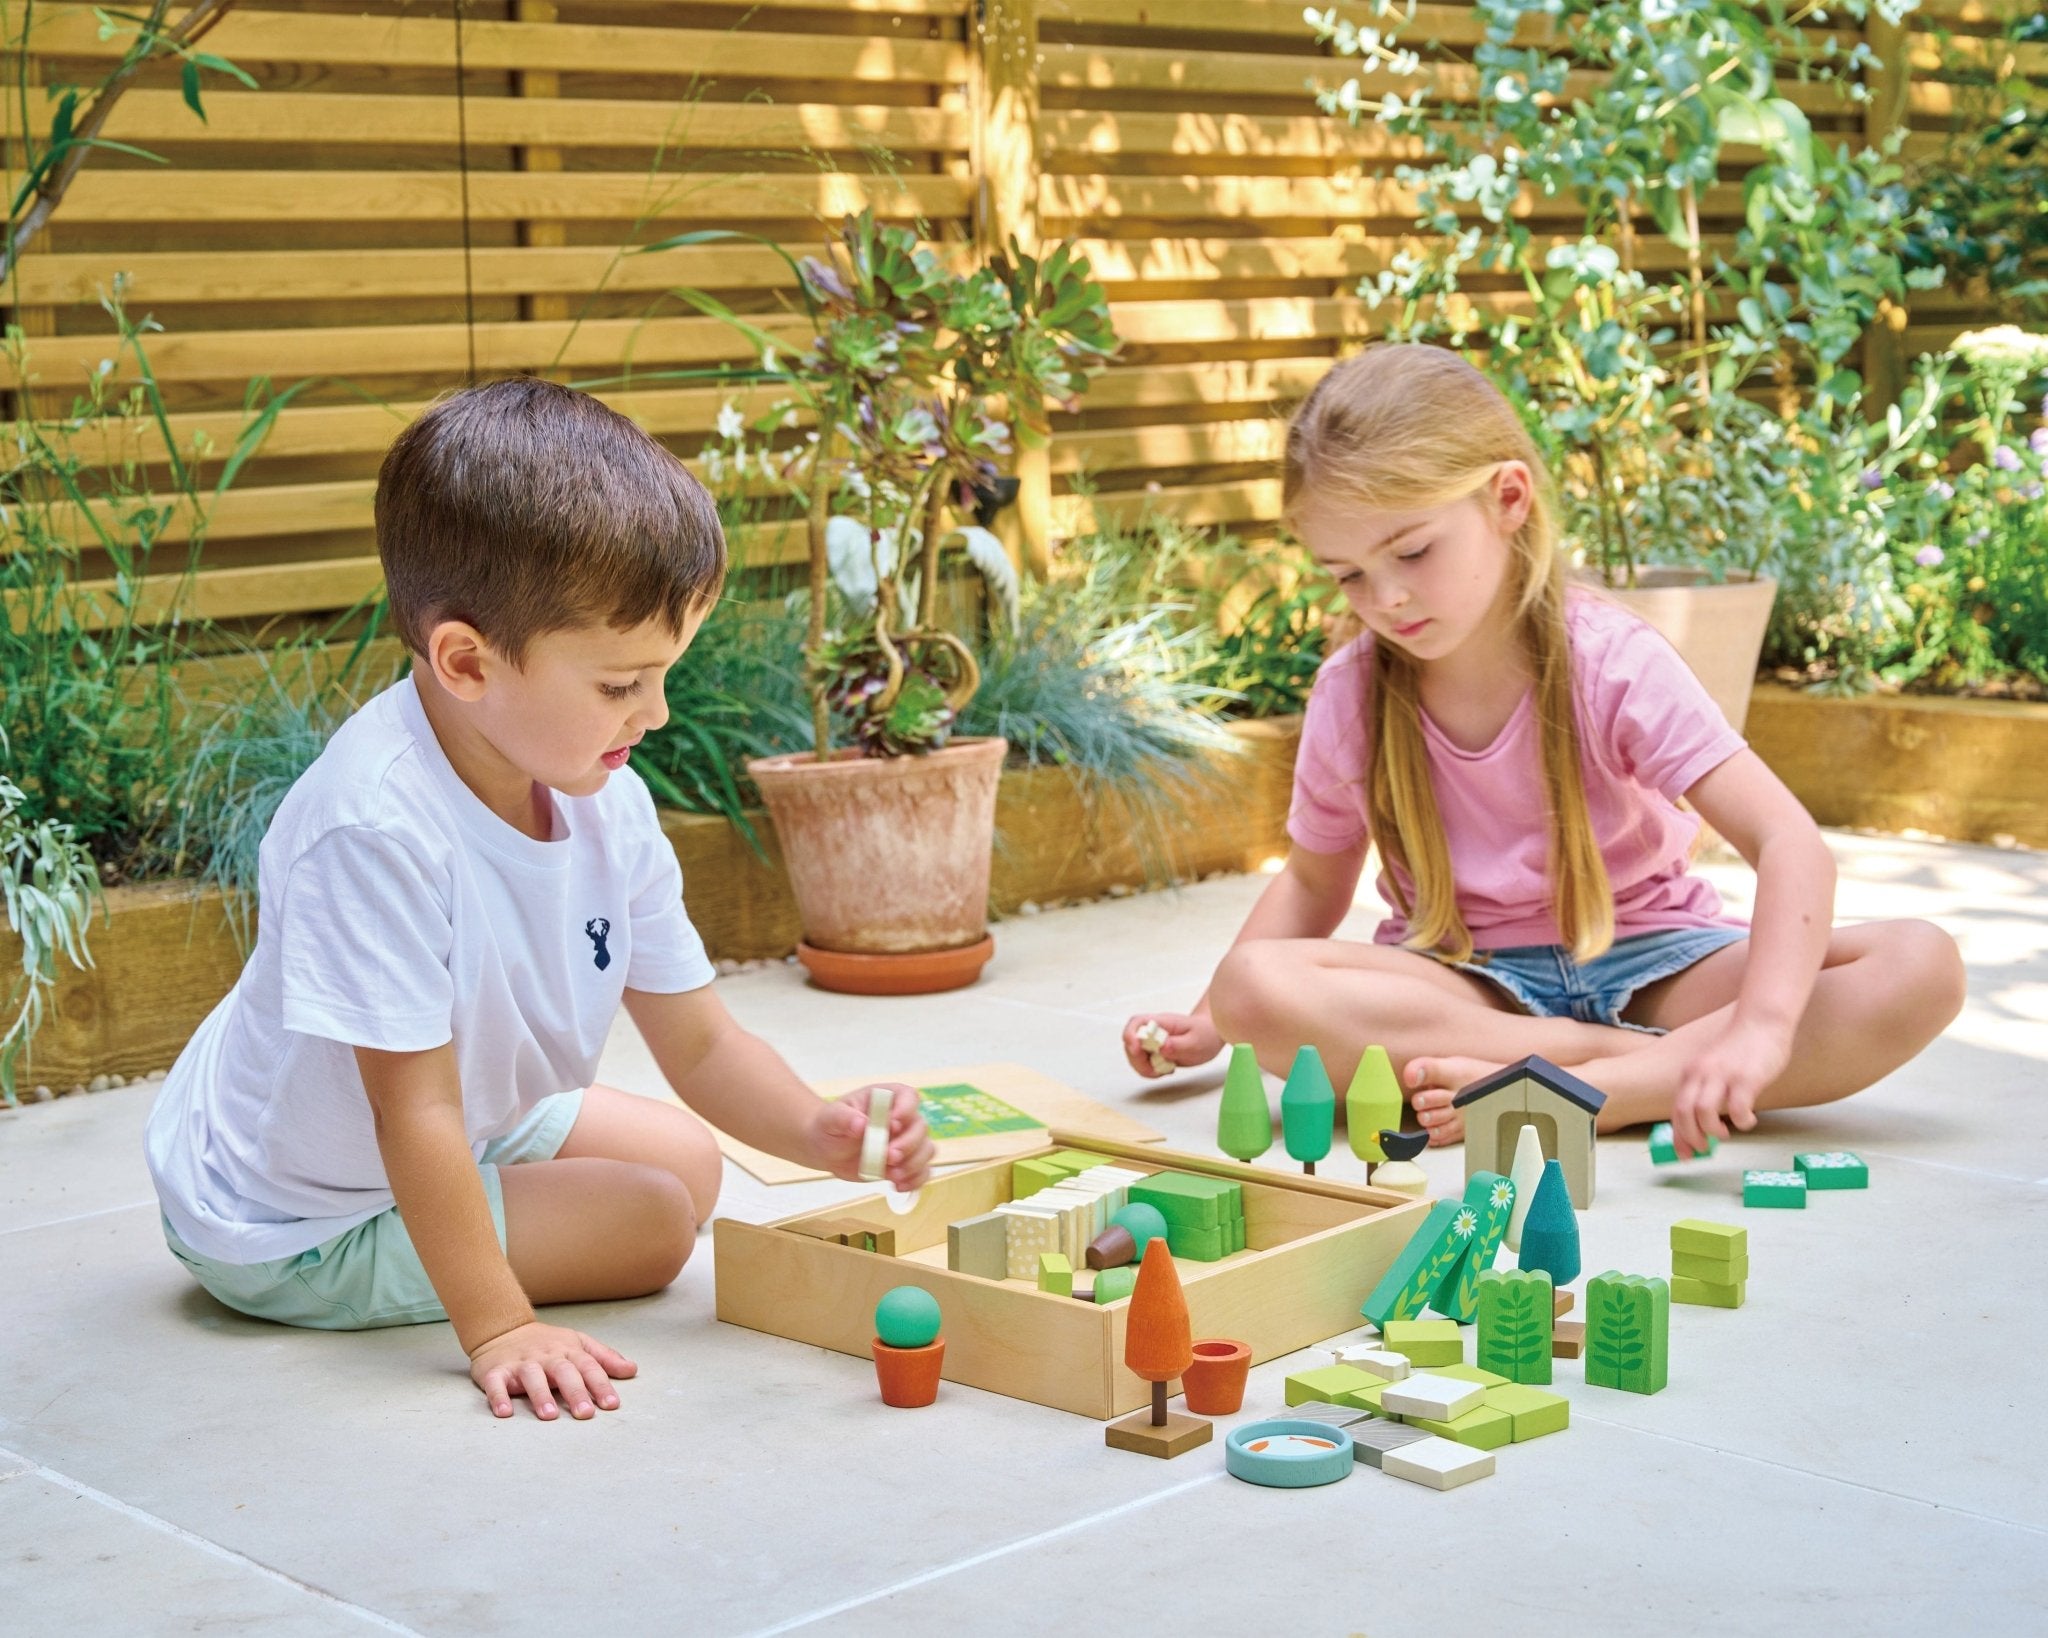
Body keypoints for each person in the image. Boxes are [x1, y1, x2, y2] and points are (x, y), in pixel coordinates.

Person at [147, 378, 933, 1422]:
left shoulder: (603, 796)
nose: (653, 714)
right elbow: (410, 1113)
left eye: (662, 677)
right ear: (467, 663)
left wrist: (814, 1128)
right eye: (619, 686)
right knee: (654, 1223)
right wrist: (500, 1325)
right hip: (291, 1217)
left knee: (691, 1165)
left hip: (453, 1113)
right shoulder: (371, 828)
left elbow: (698, 1046)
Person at [1123, 344, 1964, 1158]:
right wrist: (1211, 1017)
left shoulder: (1611, 659)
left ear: (1508, 499)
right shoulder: (1351, 693)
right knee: (1253, 987)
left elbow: (1790, 844)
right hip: (1461, 986)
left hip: (1656, 960)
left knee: (1917, 964)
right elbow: (1312, 881)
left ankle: (1600, 1090)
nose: (1386, 597)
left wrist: (1762, 1028)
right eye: (1347, 574)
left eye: (1412, 551)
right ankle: (1579, 1055)